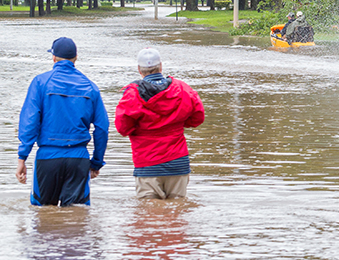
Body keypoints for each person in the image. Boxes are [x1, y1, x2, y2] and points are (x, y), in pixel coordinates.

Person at [16, 37, 109, 206]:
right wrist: (96, 163)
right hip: (78, 157)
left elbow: (29, 122)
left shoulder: (40, 82)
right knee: (76, 215)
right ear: (76, 57)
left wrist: (22, 157)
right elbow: (102, 128)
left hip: (47, 157)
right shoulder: (90, 86)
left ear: (53, 58)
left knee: (43, 214)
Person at [115, 48, 205, 200]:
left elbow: (123, 128)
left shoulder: (132, 94)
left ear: (139, 70)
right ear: (161, 67)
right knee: (178, 216)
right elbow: (197, 117)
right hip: (178, 162)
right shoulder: (182, 89)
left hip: (147, 163)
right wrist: (178, 122)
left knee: (148, 217)